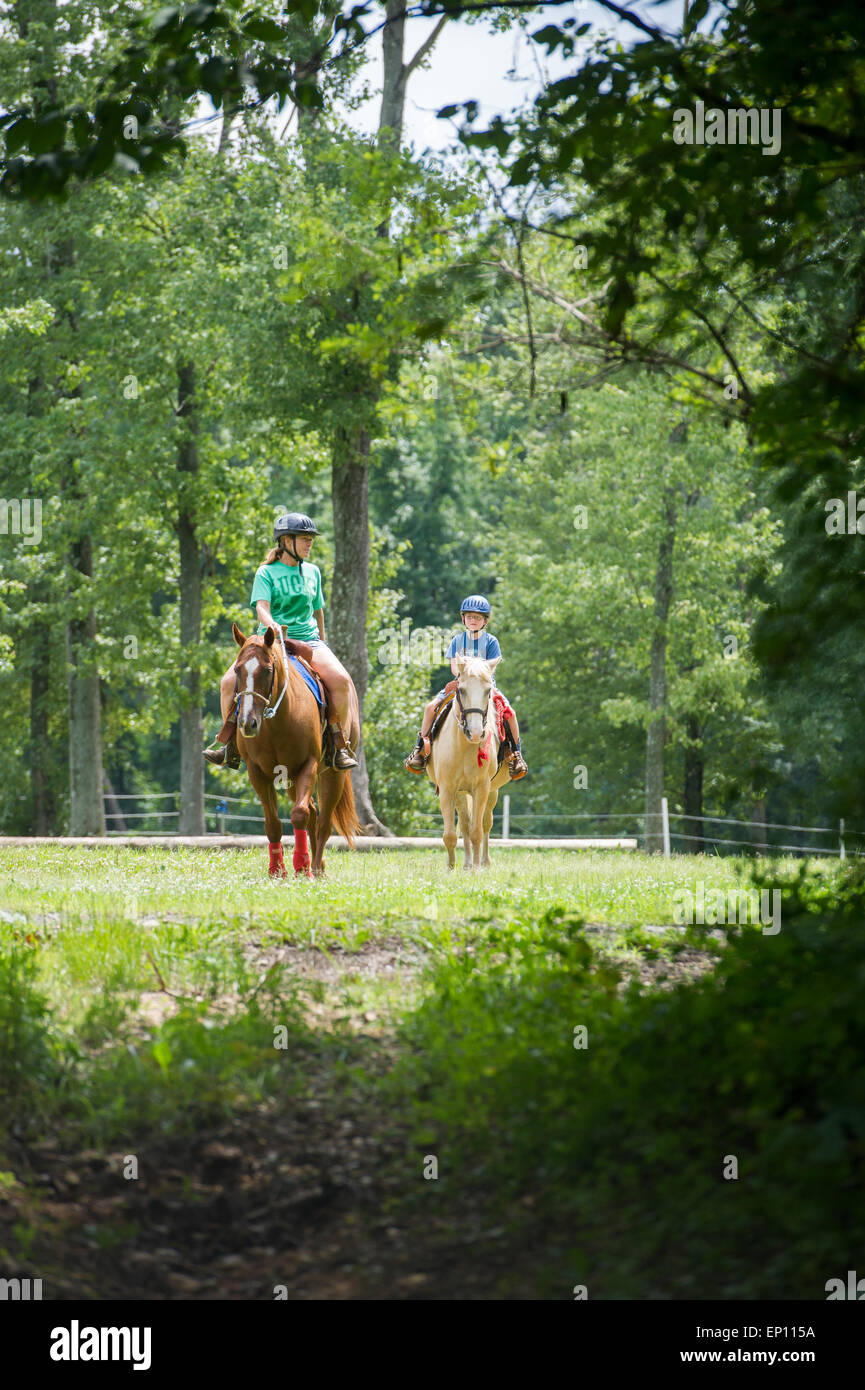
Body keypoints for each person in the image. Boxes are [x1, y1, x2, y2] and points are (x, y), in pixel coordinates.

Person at [204, 513, 359, 771]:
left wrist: (322, 639)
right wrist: (271, 623)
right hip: (269, 641)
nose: (310, 544)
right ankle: (230, 744)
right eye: (305, 539)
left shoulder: (313, 572)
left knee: (341, 681)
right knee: (228, 682)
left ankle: (337, 745)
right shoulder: (265, 572)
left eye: (311, 540)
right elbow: (262, 608)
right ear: (287, 541)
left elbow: (318, 610)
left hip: (307, 639)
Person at [404, 594, 527, 778]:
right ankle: (420, 750)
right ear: (463, 618)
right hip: (461, 683)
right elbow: (455, 667)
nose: (473, 620)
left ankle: (516, 754)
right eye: (469, 617)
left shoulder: (491, 641)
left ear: (485, 621)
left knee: (510, 713)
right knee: (430, 708)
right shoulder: (457, 640)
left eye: (477, 617)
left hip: (485, 685)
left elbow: (490, 669)